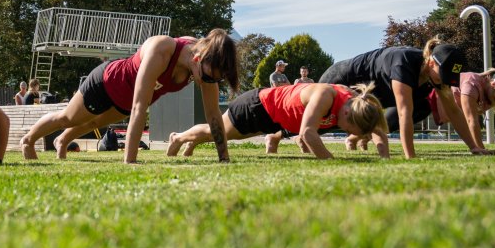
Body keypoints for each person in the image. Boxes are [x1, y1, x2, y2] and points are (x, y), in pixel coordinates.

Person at [19, 28, 239, 163]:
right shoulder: (162, 49)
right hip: (106, 83)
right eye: (209, 79)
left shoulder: (208, 65)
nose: (209, 84)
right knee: (68, 118)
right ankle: (28, 141)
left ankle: (62, 140)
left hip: (123, 100)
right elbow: (139, 107)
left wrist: (224, 158)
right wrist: (130, 160)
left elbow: (213, 115)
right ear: (198, 59)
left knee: (92, 123)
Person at [318, 37, 490, 158]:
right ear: (431, 62)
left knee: (422, 105)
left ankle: (354, 138)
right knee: (319, 123)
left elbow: (453, 111)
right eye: (442, 74)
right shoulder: (404, 62)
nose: (443, 81)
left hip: (376, 94)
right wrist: (410, 156)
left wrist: (474, 147)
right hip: (341, 78)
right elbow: (403, 113)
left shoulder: (434, 76)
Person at [167, 82, 389, 159]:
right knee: (217, 133)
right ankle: (179, 137)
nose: (348, 132)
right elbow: (307, 133)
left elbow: (377, 126)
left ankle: (192, 140)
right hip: (258, 106)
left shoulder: (358, 103)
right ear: (348, 114)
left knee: (219, 136)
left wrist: (384, 156)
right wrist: (331, 161)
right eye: (351, 129)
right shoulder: (326, 95)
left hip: (274, 120)